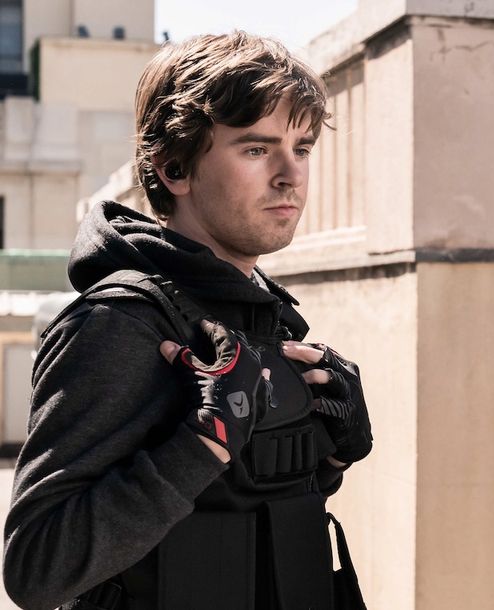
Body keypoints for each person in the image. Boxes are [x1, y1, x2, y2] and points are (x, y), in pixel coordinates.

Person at [3, 32, 372, 610]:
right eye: (256, 149)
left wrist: (330, 454)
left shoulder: (264, 312)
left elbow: (237, 511)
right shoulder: (119, 323)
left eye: (301, 148)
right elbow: (37, 567)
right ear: (174, 167)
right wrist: (204, 441)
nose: (290, 175)